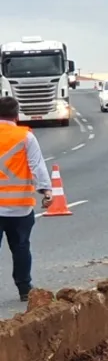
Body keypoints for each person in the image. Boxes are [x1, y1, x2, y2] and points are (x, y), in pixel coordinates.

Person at [0, 97, 52, 302]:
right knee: (21, 247)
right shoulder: (26, 137)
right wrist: (46, 191)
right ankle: (24, 288)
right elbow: (37, 166)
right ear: (17, 114)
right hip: (19, 207)